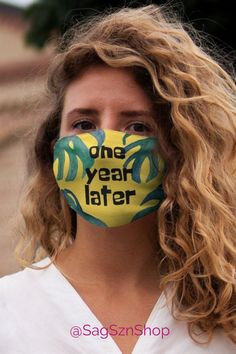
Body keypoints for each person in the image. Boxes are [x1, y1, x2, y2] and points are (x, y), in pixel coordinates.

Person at [0, 4, 235, 354]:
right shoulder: (9, 313)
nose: (104, 143)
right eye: (83, 124)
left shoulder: (226, 314)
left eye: (137, 126)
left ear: (179, 149)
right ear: (54, 148)